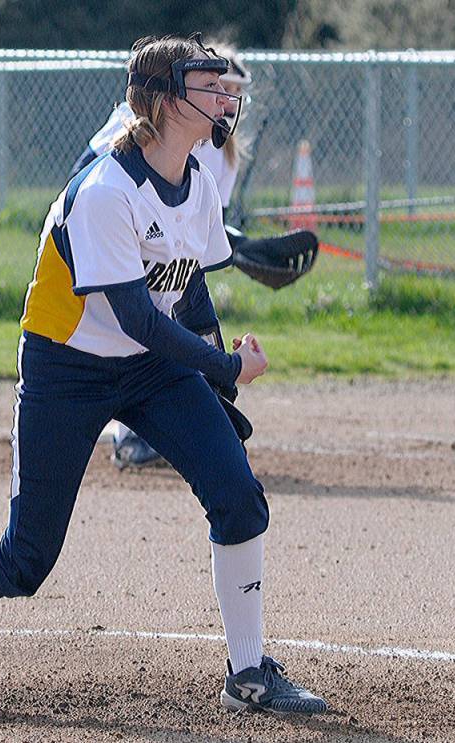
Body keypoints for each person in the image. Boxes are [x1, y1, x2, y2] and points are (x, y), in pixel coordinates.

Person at [0, 34, 327, 716]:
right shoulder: (105, 189)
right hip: (68, 366)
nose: (224, 94)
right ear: (162, 100)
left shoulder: (199, 177)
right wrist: (226, 363)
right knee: (23, 560)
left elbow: (189, 287)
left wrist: (216, 377)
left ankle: (249, 676)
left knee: (239, 496)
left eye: (224, 85)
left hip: (151, 368)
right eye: (206, 84)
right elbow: (135, 318)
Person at [72, 44, 316, 470]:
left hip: (156, 247)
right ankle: (132, 433)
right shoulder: (152, 120)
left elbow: (197, 226)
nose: (225, 100)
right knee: (141, 321)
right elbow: (95, 171)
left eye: (232, 89)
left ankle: (178, 416)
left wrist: (239, 248)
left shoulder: (224, 155)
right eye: (215, 87)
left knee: (171, 306)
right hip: (110, 228)